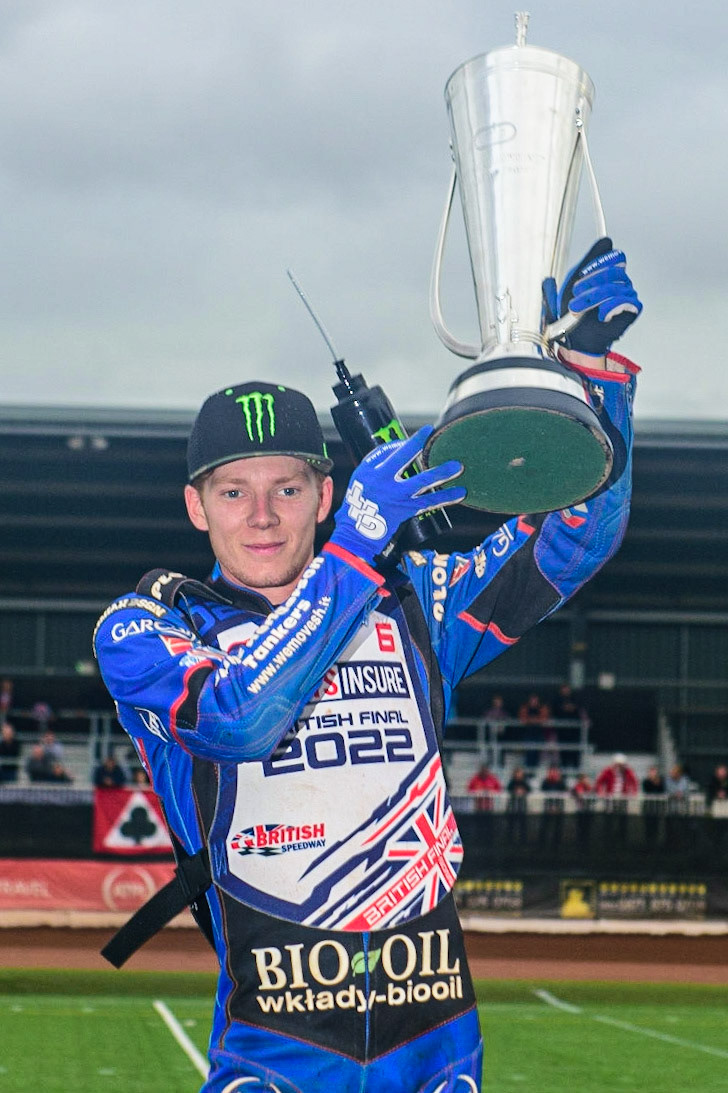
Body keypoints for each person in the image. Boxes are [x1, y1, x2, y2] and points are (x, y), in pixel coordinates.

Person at [93, 241, 640, 1093]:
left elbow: (575, 538)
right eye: (235, 491)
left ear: (325, 489)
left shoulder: (414, 602)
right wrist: (353, 548)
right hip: (275, 1051)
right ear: (198, 506)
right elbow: (235, 717)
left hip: (436, 1042)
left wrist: (593, 378)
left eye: (288, 487)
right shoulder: (147, 627)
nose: (264, 515)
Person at [641, 763, 666, 845]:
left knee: (656, 825)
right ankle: (648, 842)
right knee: (648, 825)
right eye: (651, 771)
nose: (652, 773)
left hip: (657, 807)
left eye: (654, 771)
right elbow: (646, 791)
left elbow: (662, 791)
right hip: (648, 807)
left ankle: (656, 842)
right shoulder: (646, 781)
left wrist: (657, 783)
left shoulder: (661, 781)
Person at [505, 765, 530, 844]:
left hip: (522, 807)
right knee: (511, 825)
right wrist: (515, 791)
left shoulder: (524, 782)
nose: (518, 775)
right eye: (517, 773)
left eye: (520, 773)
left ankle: (523, 842)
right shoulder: (512, 782)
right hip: (512, 807)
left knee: (523, 826)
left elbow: (529, 790)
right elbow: (508, 790)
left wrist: (523, 791)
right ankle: (510, 841)